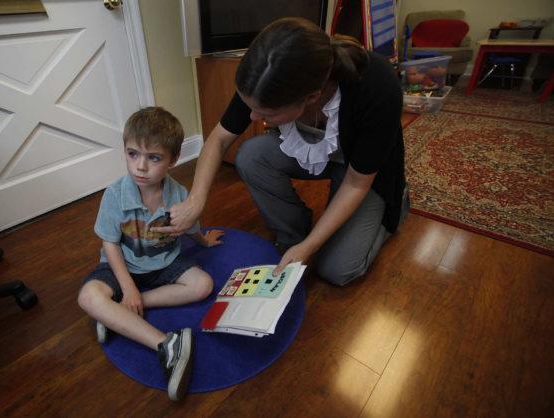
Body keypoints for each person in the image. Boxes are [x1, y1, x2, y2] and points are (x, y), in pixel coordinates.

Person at [152, 17, 408, 286]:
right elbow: (218, 140)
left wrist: (310, 247)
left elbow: (356, 183)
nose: (253, 116)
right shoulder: (263, 77)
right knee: (251, 155)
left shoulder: (376, 86)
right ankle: (293, 233)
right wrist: (196, 200)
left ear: (311, 97)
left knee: (338, 269)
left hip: (362, 172)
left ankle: (396, 205)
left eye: (267, 113)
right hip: (324, 154)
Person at [77, 107, 224, 401]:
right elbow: (111, 244)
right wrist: (128, 286)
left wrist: (203, 241)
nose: (140, 167)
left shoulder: (180, 194)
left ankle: (115, 311)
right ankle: (166, 344)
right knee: (88, 296)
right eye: (133, 154)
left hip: (164, 264)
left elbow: (189, 224)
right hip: (123, 266)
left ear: (173, 160)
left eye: (153, 158)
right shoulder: (115, 194)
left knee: (203, 285)